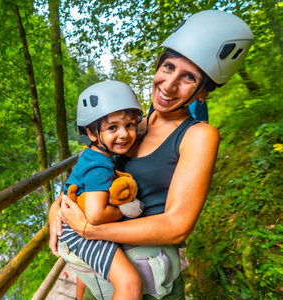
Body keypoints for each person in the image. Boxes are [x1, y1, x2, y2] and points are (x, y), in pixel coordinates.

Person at [49, 10, 253, 300]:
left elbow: (175, 227)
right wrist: (56, 207)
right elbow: (87, 170)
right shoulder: (132, 126)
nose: (169, 85)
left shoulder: (197, 136)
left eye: (188, 78)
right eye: (168, 67)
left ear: (203, 92)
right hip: (101, 271)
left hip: (148, 281)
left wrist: (90, 230)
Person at [59, 80, 145, 300]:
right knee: (130, 283)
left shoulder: (92, 155)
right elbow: (96, 216)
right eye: (112, 127)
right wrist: (126, 209)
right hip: (78, 230)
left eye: (130, 125)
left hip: (69, 226)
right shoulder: (99, 165)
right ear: (92, 133)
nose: (125, 134)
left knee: (89, 269)